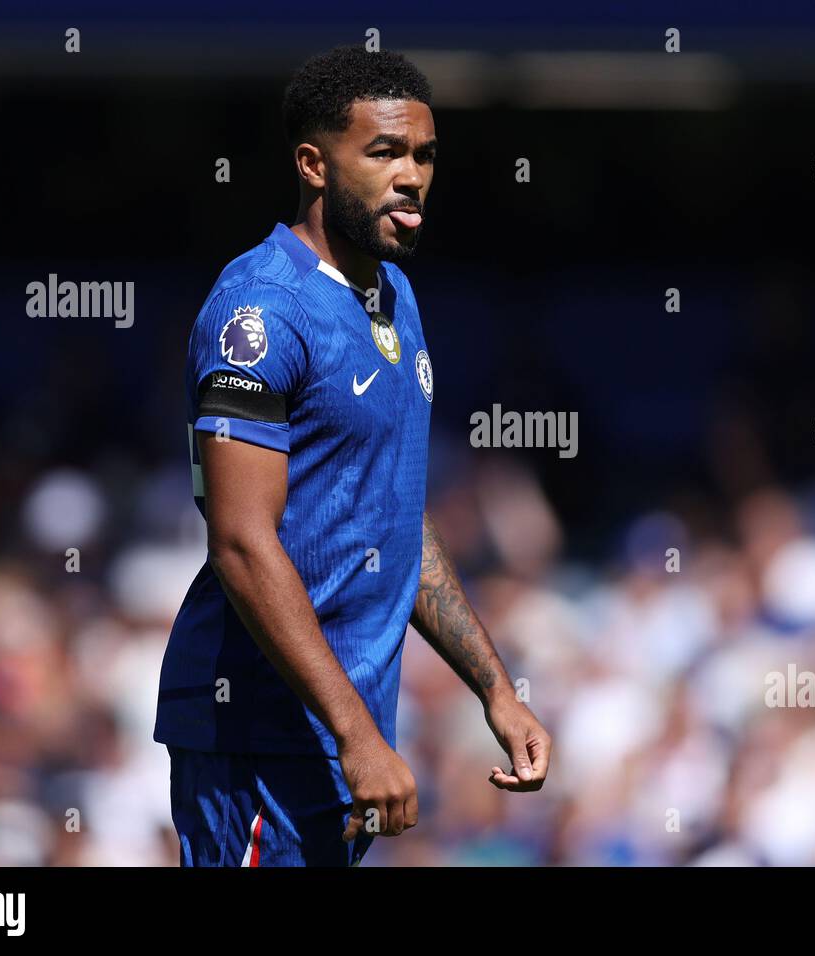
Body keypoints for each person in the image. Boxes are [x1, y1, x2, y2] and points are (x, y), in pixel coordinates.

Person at [153, 45, 551, 867]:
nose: (411, 175)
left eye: (424, 155)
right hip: (257, 735)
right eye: (383, 153)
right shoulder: (259, 312)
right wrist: (355, 735)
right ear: (314, 164)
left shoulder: (395, 298)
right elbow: (240, 542)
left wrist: (496, 690)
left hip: (339, 736)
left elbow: (393, 519)